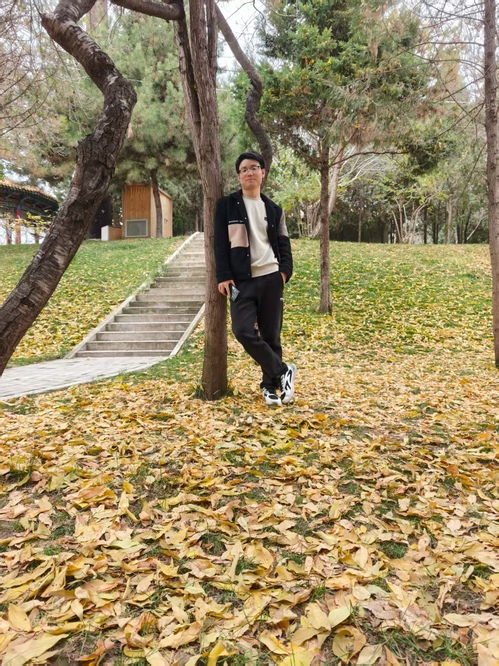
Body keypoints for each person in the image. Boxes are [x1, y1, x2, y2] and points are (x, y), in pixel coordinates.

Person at [214, 151, 296, 406]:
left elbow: (284, 244)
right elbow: (220, 242)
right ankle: (283, 371)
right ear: (239, 177)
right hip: (241, 282)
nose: (248, 172)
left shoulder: (274, 209)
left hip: (271, 278)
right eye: (243, 170)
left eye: (253, 168)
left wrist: (284, 273)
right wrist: (223, 275)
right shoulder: (227, 205)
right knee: (242, 331)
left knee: (271, 335)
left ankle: (270, 389)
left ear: (263, 173)